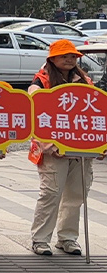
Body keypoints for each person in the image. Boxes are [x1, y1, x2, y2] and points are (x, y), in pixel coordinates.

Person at [29, 39, 95, 257]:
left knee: (76, 195)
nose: (69, 60)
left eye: (73, 56)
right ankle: (40, 239)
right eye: (64, 56)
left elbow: (96, 114)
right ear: (52, 58)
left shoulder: (84, 80)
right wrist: (49, 146)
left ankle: (67, 238)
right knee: (51, 194)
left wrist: (99, 146)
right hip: (53, 150)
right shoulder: (40, 83)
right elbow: (34, 117)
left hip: (81, 152)